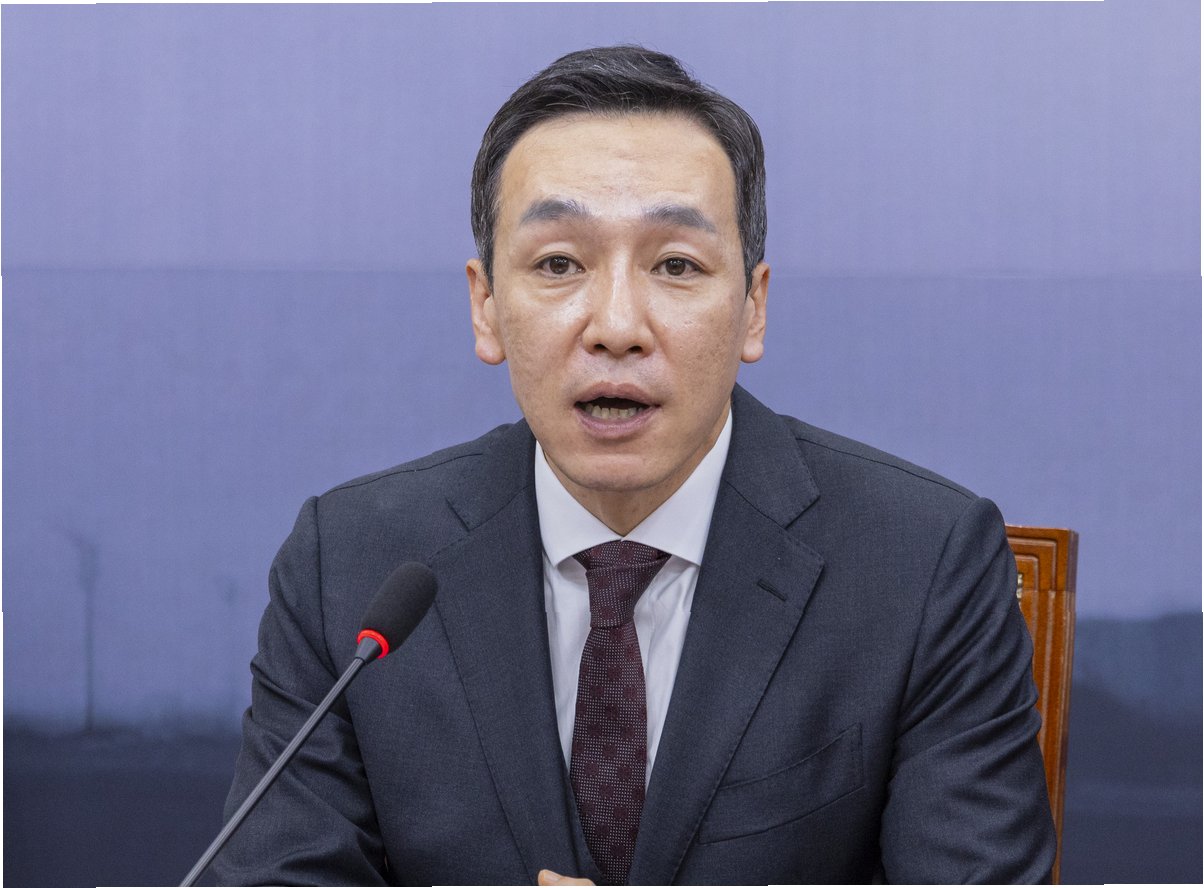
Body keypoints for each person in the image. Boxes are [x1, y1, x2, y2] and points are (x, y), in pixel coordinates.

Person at [213, 45, 1055, 885]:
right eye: (559, 264)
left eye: (676, 266)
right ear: (486, 305)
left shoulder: (920, 564)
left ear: (753, 308)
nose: (617, 326)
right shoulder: (351, 565)